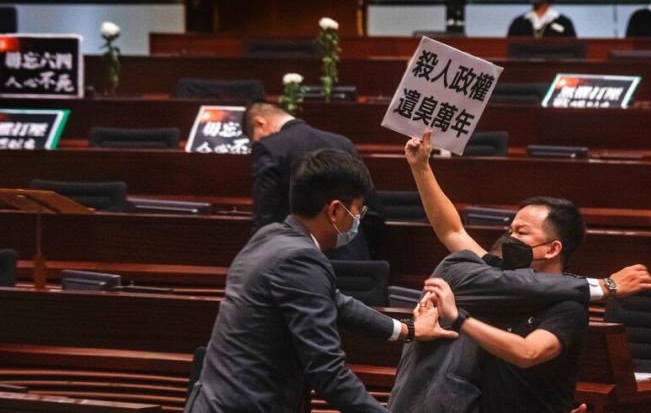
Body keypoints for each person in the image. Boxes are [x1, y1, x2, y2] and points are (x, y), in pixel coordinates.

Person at [388, 130, 651, 412]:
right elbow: (451, 229)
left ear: (552, 249)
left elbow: (529, 352)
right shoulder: (497, 278)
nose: (509, 238)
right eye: (510, 229)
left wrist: (460, 320)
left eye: (521, 232)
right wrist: (421, 167)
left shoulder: (568, 306)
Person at [189, 149, 457, 413]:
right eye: (358, 211)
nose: (358, 221)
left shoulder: (269, 237)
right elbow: (328, 373)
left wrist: (407, 329)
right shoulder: (301, 259)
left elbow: (337, 302)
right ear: (336, 211)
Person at [246, 101, 383, 259]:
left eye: (253, 138)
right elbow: (372, 207)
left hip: (295, 259)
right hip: (353, 259)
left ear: (259, 123)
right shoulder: (342, 142)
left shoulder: (268, 147)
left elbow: (265, 216)